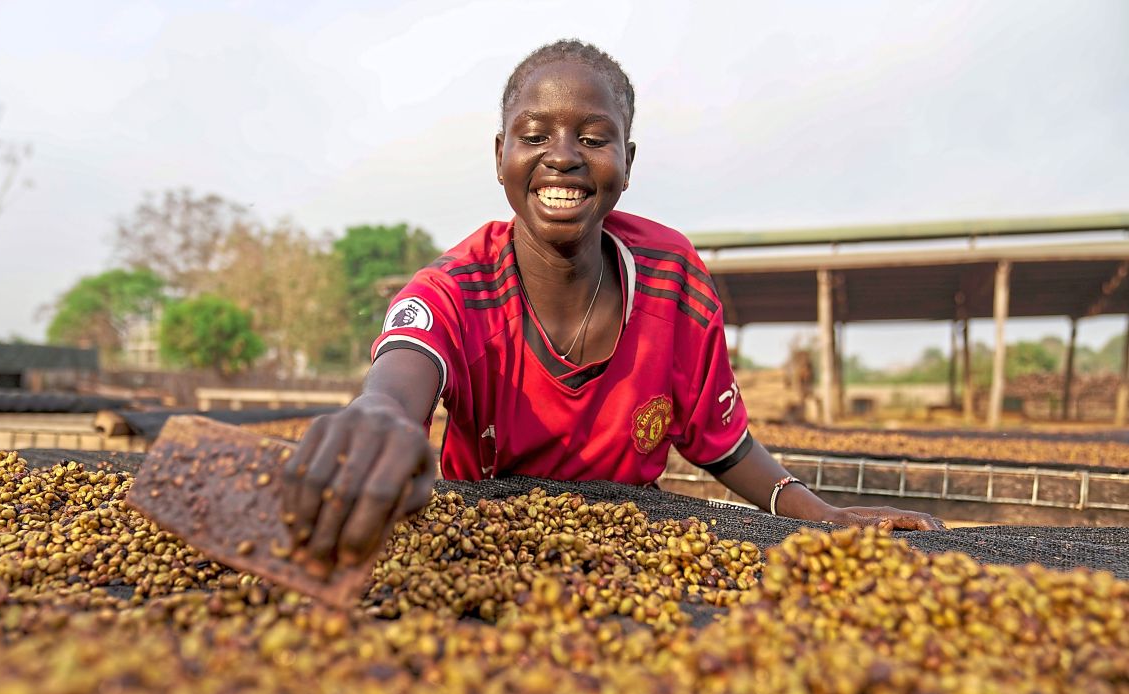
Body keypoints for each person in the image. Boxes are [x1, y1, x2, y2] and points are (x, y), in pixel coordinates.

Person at [284, 39, 944, 576]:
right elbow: (401, 375)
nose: (563, 156)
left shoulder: (672, 278)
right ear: (501, 156)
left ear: (625, 163)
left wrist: (817, 511)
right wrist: (376, 415)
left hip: (632, 549)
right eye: (534, 135)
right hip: (476, 549)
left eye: (594, 139)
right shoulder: (458, 286)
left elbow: (723, 441)